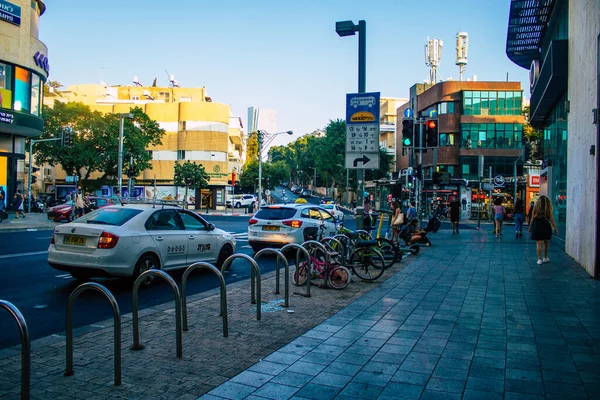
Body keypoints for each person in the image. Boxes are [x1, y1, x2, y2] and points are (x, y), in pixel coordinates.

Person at [529, 195, 558, 265]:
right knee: (546, 243)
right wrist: (555, 228)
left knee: (539, 243)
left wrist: (530, 227)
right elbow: (552, 219)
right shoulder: (548, 209)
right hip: (546, 227)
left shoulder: (535, 209)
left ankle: (539, 259)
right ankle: (545, 257)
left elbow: (532, 219)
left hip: (537, 227)